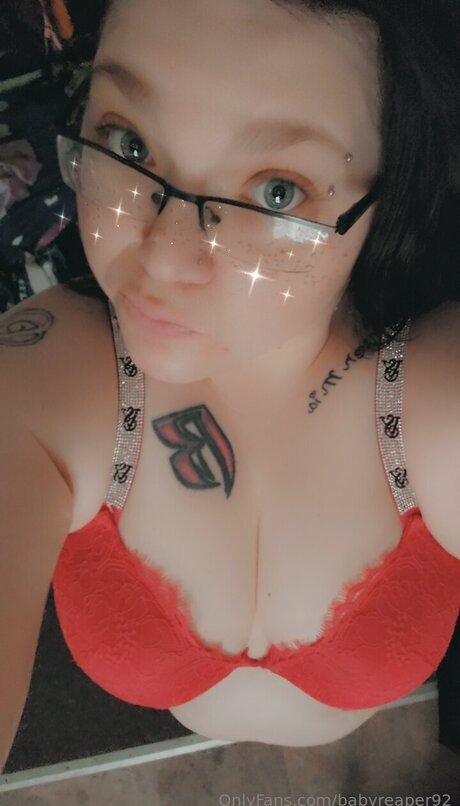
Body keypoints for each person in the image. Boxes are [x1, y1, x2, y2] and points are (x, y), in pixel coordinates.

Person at [1, 0, 460, 764]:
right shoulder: (47, 383)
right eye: (130, 142)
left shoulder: (436, 407)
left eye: (277, 191)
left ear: (396, 188)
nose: (161, 257)